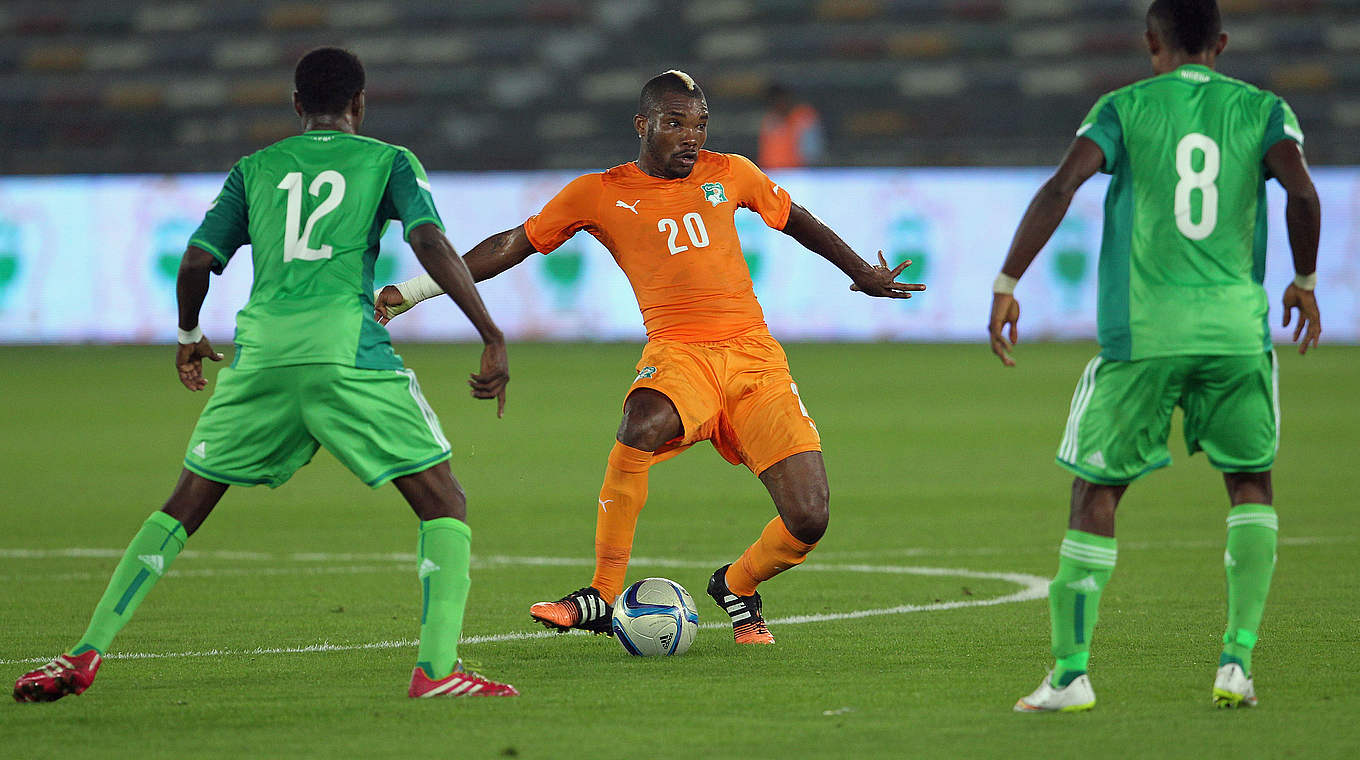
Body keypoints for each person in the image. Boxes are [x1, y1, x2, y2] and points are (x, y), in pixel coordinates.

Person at [13, 48, 518, 702]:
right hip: (347, 352)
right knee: (444, 500)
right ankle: (437, 669)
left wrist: (191, 334)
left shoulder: (253, 170)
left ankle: (83, 655)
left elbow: (196, 261)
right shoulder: (388, 160)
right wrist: (490, 331)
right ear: (360, 105)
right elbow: (429, 243)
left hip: (262, 354)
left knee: (185, 504)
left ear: (297, 105)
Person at [376, 70, 922, 645]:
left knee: (810, 518)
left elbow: (797, 220)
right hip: (679, 351)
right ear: (643, 126)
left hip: (754, 357)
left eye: (700, 123)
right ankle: (601, 594)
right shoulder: (599, 192)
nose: (692, 136)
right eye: (676, 123)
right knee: (640, 424)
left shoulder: (731, 171)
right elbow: (513, 243)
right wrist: (412, 292)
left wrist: (863, 272)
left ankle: (737, 586)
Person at [988, 0, 1321, 712]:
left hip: (1143, 335)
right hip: (1236, 333)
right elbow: (1300, 190)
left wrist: (1008, 281)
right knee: (1250, 484)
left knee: (1095, 490)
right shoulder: (1264, 110)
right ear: (1221, 45)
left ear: (1150, 42)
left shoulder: (1124, 107)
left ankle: (1071, 675)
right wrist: (1304, 280)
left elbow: (1062, 185)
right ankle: (1237, 663)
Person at [757, 83, 825, 169]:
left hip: (799, 173)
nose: (777, 104)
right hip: (772, 173)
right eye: (772, 102)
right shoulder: (770, 118)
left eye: (779, 100)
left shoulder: (804, 116)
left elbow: (812, 152)